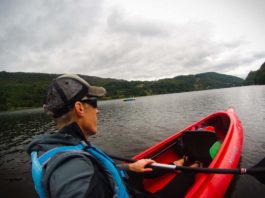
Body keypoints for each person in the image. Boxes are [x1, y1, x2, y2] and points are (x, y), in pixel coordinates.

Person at [27, 74, 199, 198]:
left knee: (140, 169)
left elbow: (104, 173)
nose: (98, 110)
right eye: (94, 103)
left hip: (119, 186)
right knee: (183, 180)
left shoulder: (60, 145)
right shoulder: (74, 168)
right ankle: (192, 170)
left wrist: (130, 168)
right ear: (80, 108)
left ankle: (178, 163)